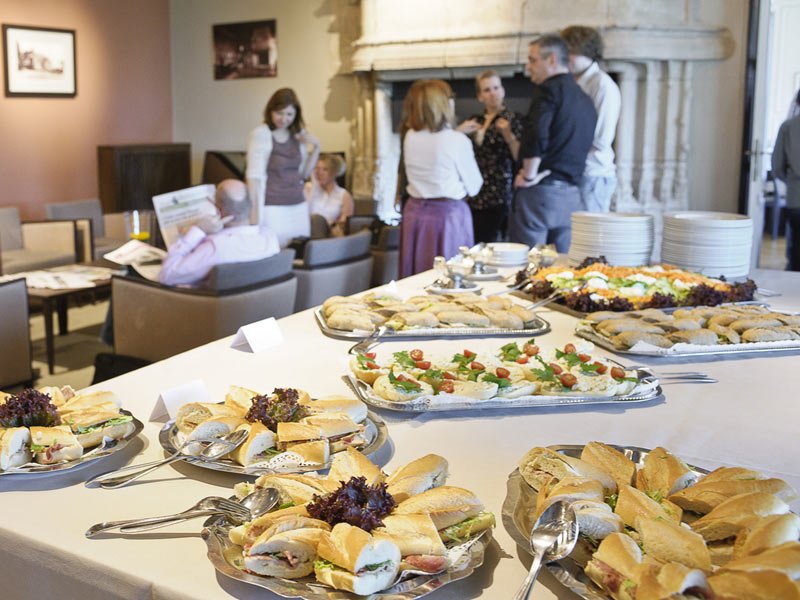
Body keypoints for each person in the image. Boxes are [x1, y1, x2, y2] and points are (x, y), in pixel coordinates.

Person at [508, 33, 597, 253]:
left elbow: (537, 133)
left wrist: (529, 175)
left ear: (552, 60)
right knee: (564, 263)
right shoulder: (585, 98)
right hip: (572, 197)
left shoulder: (548, 90)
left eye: (532, 60)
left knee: (528, 261)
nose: (528, 67)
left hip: (541, 193)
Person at [398, 79, 483, 278]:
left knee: (417, 276)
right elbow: (475, 186)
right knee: (450, 277)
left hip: (414, 213)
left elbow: (436, 140)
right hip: (447, 216)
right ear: (444, 104)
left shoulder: (410, 136)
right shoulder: (457, 140)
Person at [158, 179, 280, 286]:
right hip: (256, 303)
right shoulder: (270, 237)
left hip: (198, 303)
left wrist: (198, 231)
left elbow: (166, 275)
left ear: (217, 211)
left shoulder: (215, 248)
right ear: (251, 205)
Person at [245, 88, 321, 247]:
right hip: (272, 205)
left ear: (296, 115)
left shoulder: (298, 135)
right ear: (270, 111)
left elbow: (304, 173)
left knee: (300, 250)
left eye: (289, 114)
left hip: (298, 203)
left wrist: (316, 147)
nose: (284, 119)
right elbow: (253, 177)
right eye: (279, 113)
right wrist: (253, 214)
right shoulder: (261, 134)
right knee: (275, 249)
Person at [456, 70, 523, 242]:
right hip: (474, 192)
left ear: (503, 90)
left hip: (500, 192)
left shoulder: (513, 119)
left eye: (496, 87)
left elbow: (520, 157)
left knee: (495, 242)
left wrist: (508, 134)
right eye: (487, 90)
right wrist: (458, 131)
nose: (493, 93)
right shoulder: (473, 120)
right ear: (480, 96)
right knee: (474, 241)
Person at [561, 25, 621, 213]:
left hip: (593, 173)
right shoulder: (572, 83)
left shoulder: (602, 84)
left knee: (589, 229)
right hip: (573, 172)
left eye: (571, 52)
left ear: (587, 52)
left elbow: (601, 139)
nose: (565, 58)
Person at [772, 113, 800, 271]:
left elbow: (777, 167)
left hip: (796, 198)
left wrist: (792, 181)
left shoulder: (789, 127)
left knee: (796, 252)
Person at [304, 153, 354, 236]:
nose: (319, 173)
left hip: (330, 234)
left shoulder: (344, 195)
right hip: (307, 231)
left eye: (325, 169)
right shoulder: (308, 188)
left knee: (317, 219)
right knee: (315, 219)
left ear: (334, 172)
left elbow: (344, 224)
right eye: (317, 168)